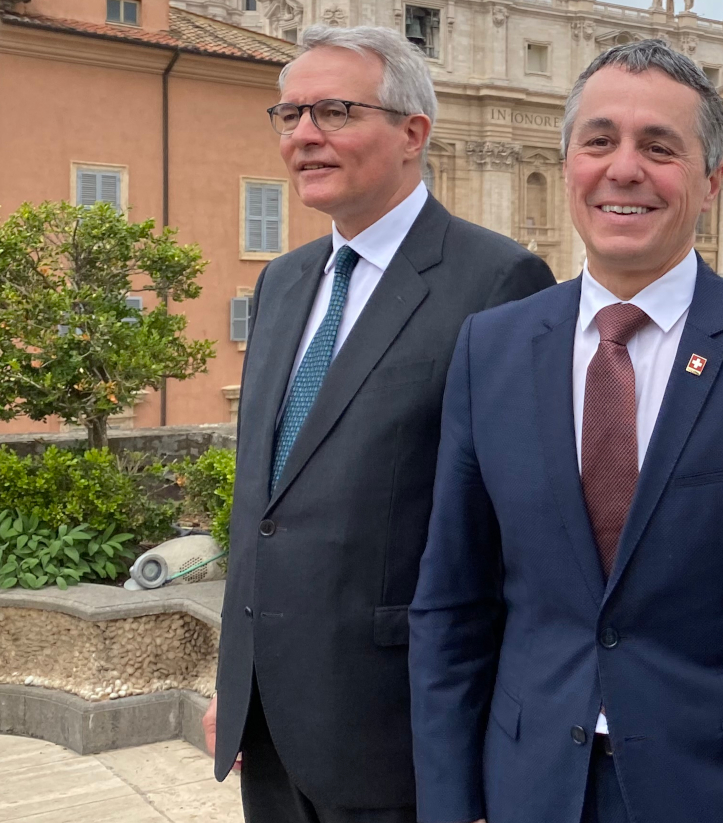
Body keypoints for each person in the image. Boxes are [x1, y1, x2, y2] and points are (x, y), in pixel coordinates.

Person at [409, 39, 723, 823]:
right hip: (529, 787)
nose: (624, 168)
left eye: (660, 147)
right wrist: (448, 803)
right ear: (567, 161)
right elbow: (450, 603)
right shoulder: (490, 348)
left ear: (711, 182)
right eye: (599, 141)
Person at [207, 25, 554, 823]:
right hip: (268, 725)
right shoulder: (284, 283)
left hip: (400, 735)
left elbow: (520, 544)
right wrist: (237, 679)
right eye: (288, 115)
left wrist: (487, 747)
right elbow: (264, 503)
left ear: (412, 132)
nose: (302, 136)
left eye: (333, 111)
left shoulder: (500, 281)